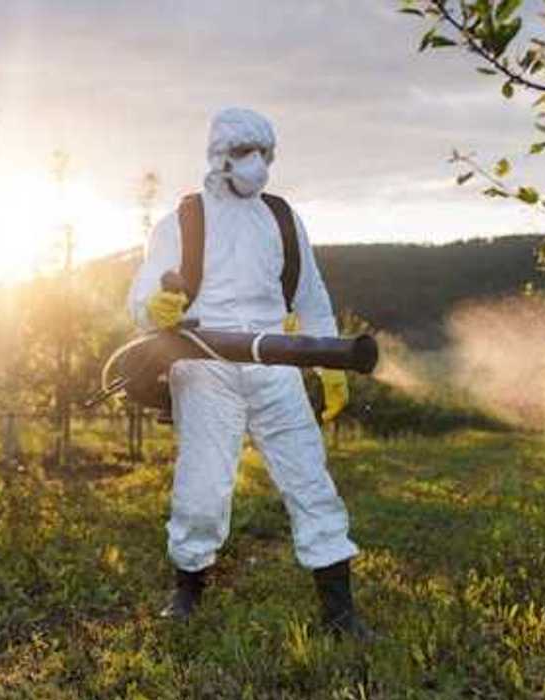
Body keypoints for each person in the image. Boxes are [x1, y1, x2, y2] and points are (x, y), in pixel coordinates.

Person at [126, 107, 371, 638]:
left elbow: (311, 294)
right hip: (204, 363)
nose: (257, 166)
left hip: (275, 361)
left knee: (310, 475)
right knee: (203, 484)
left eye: (266, 154)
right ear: (219, 158)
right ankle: (188, 587)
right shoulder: (181, 222)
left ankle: (340, 611)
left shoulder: (282, 218)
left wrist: (330, 363)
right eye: (244, 154)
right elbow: (143, 293)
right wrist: (156, 308)